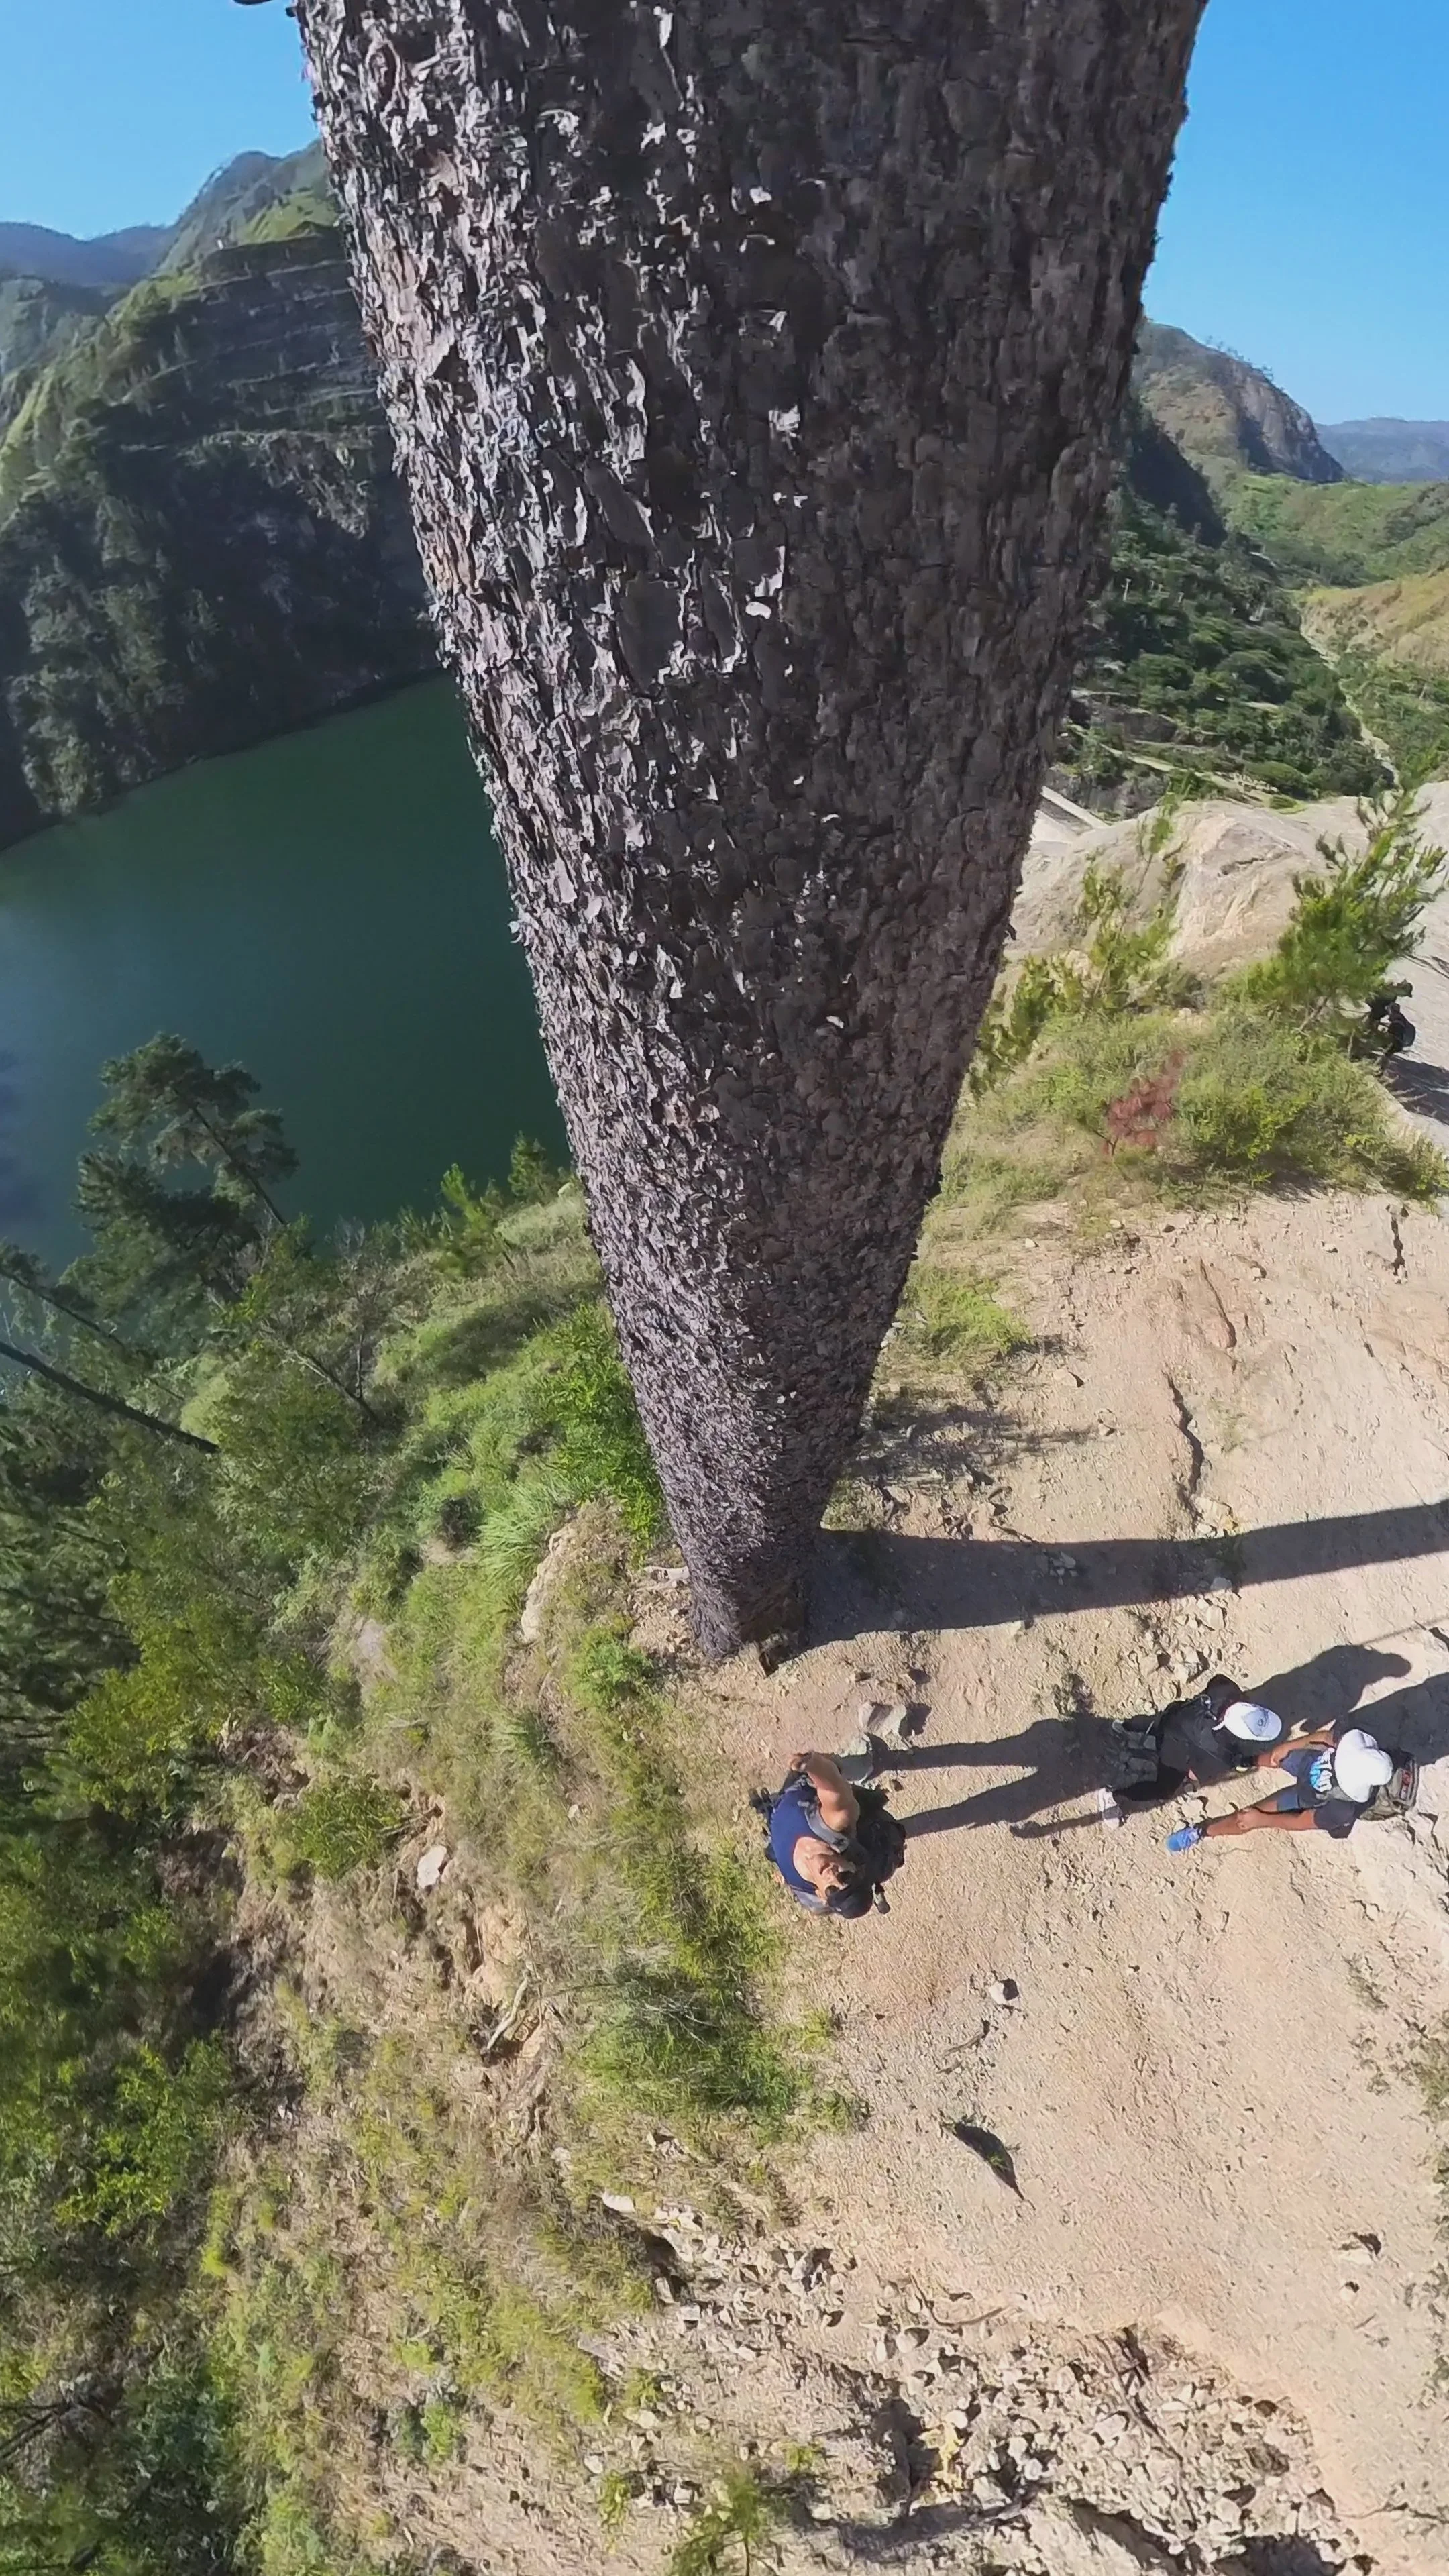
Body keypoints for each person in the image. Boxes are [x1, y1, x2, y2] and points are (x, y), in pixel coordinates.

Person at [1167, 1721, 1399, 1849]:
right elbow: (1325, 1738)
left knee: (1248, 1818)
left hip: (1307, 1797)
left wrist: (1263, 1820)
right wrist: (1289, 1746)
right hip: (1309, 1762)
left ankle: (1202, 1831)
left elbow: (1301, 1821)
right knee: (1274, 1756)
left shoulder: (1343, 1809)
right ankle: (1245, 1762)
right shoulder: (1352, 1741)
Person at [763, 1747, 908, 1918]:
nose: (833, 1878)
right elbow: (832, 1788)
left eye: (832, 1890)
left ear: (820, 1895)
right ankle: (867, 1759)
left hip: (783, 1803)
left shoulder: (803, 1890)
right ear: (853, 1867)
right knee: (840, 1769)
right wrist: (812, 1765)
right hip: (805, 1787)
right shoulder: (834, 1824)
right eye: (845, 1877)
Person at [1108, 1674, 1285, 1811]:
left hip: (1174, 1718)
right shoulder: (1223, 1754)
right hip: (1174, 1753)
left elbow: (1216, 1681)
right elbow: (1194, 1775)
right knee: (1164, 1789)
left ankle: (1124, 1727)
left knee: (1152, 1724)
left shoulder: (1227, 1691)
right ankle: (1117, 1795)